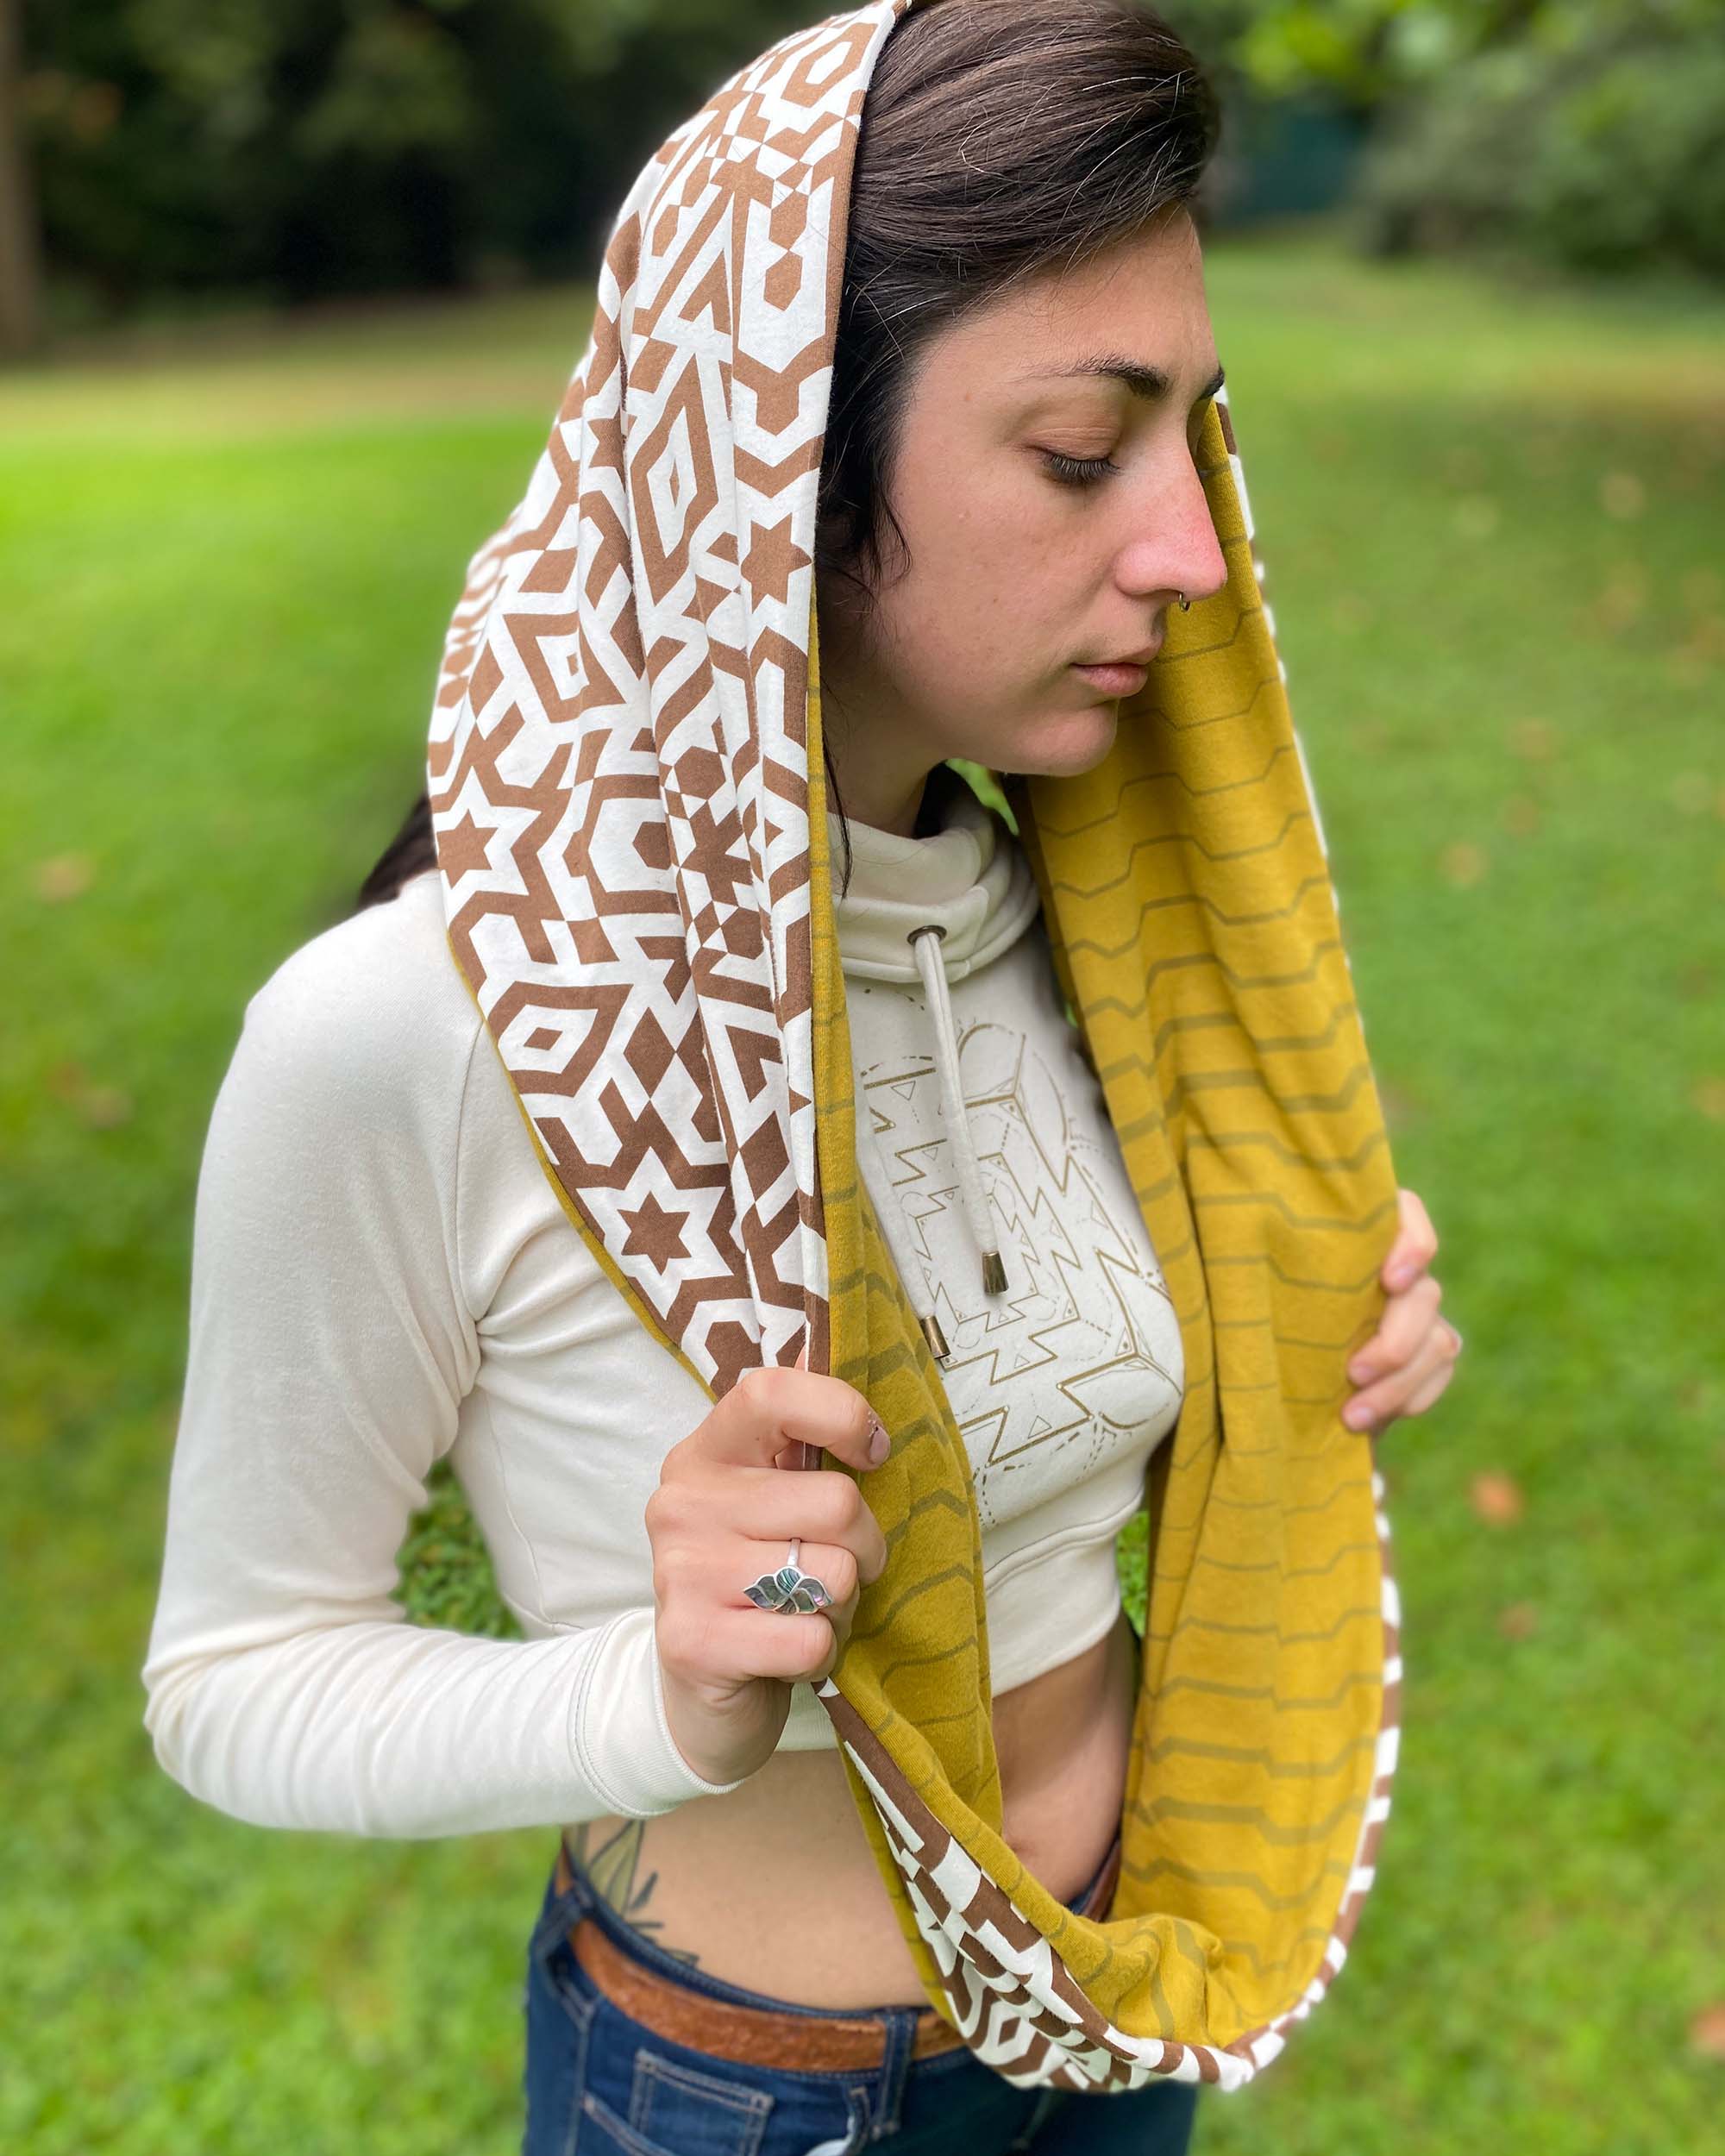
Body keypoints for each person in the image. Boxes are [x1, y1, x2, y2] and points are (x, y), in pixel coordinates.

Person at [141, 2, 1459, 2151]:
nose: (1195, 555)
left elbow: (1097, 1373)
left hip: (1127, 2004)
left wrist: (1309, 1322)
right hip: (746, 2094)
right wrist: (651, 1691)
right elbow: (234, 1675)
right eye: (1076, 450)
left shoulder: (1092, 949)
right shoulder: (428, 1030)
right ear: (776, 450)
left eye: (1194, 441)